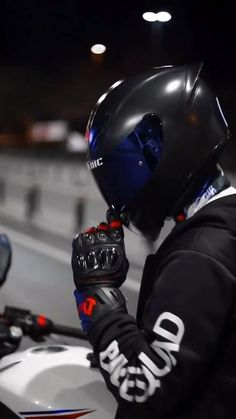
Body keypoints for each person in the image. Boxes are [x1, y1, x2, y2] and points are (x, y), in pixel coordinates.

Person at [71, 63, 236, 418]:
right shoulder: (224, 223)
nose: (120, 192)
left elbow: (141, 387)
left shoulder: (201, 255)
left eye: (129, 169)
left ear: (174, 147)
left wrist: (97, 299)